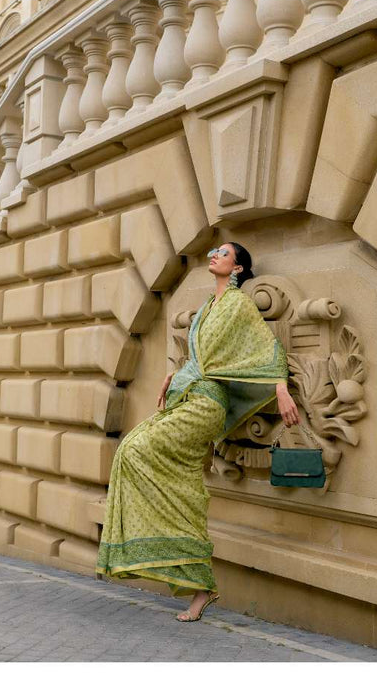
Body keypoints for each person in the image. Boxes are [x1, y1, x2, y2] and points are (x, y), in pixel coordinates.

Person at [95, 242, 300, 622]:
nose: (213, 256)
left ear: (237, 268)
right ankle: (199, 584)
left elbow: (267, 348)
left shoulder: (238, 304)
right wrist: (175, 374)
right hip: (188, 395)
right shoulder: (208, 307)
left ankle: (191, 571)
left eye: (222, 254)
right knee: (135, 455)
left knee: (138, 450)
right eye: (213, 253)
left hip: (206, 405)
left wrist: (282, 388)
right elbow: (201, 357)